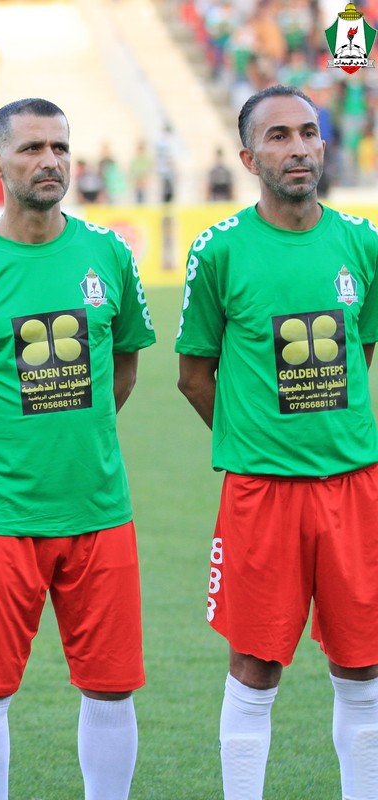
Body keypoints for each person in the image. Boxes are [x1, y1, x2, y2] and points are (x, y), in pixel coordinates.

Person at [0, 98, 156, 800]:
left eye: (59, 147)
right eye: (31, 148)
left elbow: (126, 366)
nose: (50, 161)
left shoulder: (109, 254)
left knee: (110, 687)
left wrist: (81, 436)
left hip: (98, 509)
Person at [176, 84, 378, 800]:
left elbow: (361, 352)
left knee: (364, 666)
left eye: (308, 133)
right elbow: (193, 376)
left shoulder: (361, 243)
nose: (298, 149)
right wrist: (258, 439)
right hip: (261, 491)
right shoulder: (220, 251)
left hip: (354, 486)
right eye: (279, 136)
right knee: (255, 666)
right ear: (248, 157)